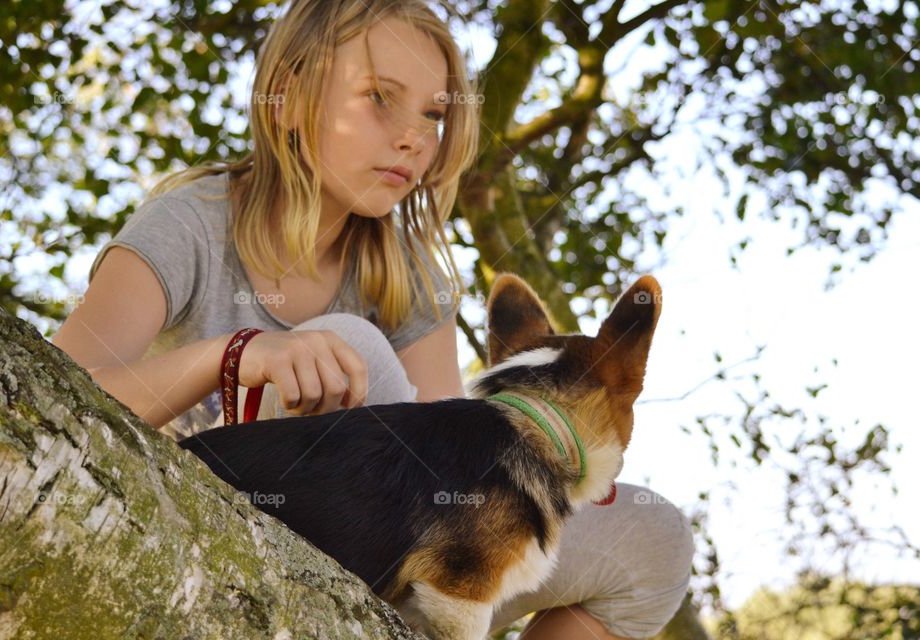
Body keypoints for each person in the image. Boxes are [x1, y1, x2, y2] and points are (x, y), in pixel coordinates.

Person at [51, 1, 693, 638]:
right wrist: (230, 355)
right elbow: (55, 402)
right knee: (347, 344)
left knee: (653, 535)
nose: (414, 136)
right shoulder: (188, 224)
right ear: (292, 93)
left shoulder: (413, 275)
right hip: (234, 516)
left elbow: (464, 475)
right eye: (381, 97)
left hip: (409, 547)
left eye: (434, 114)